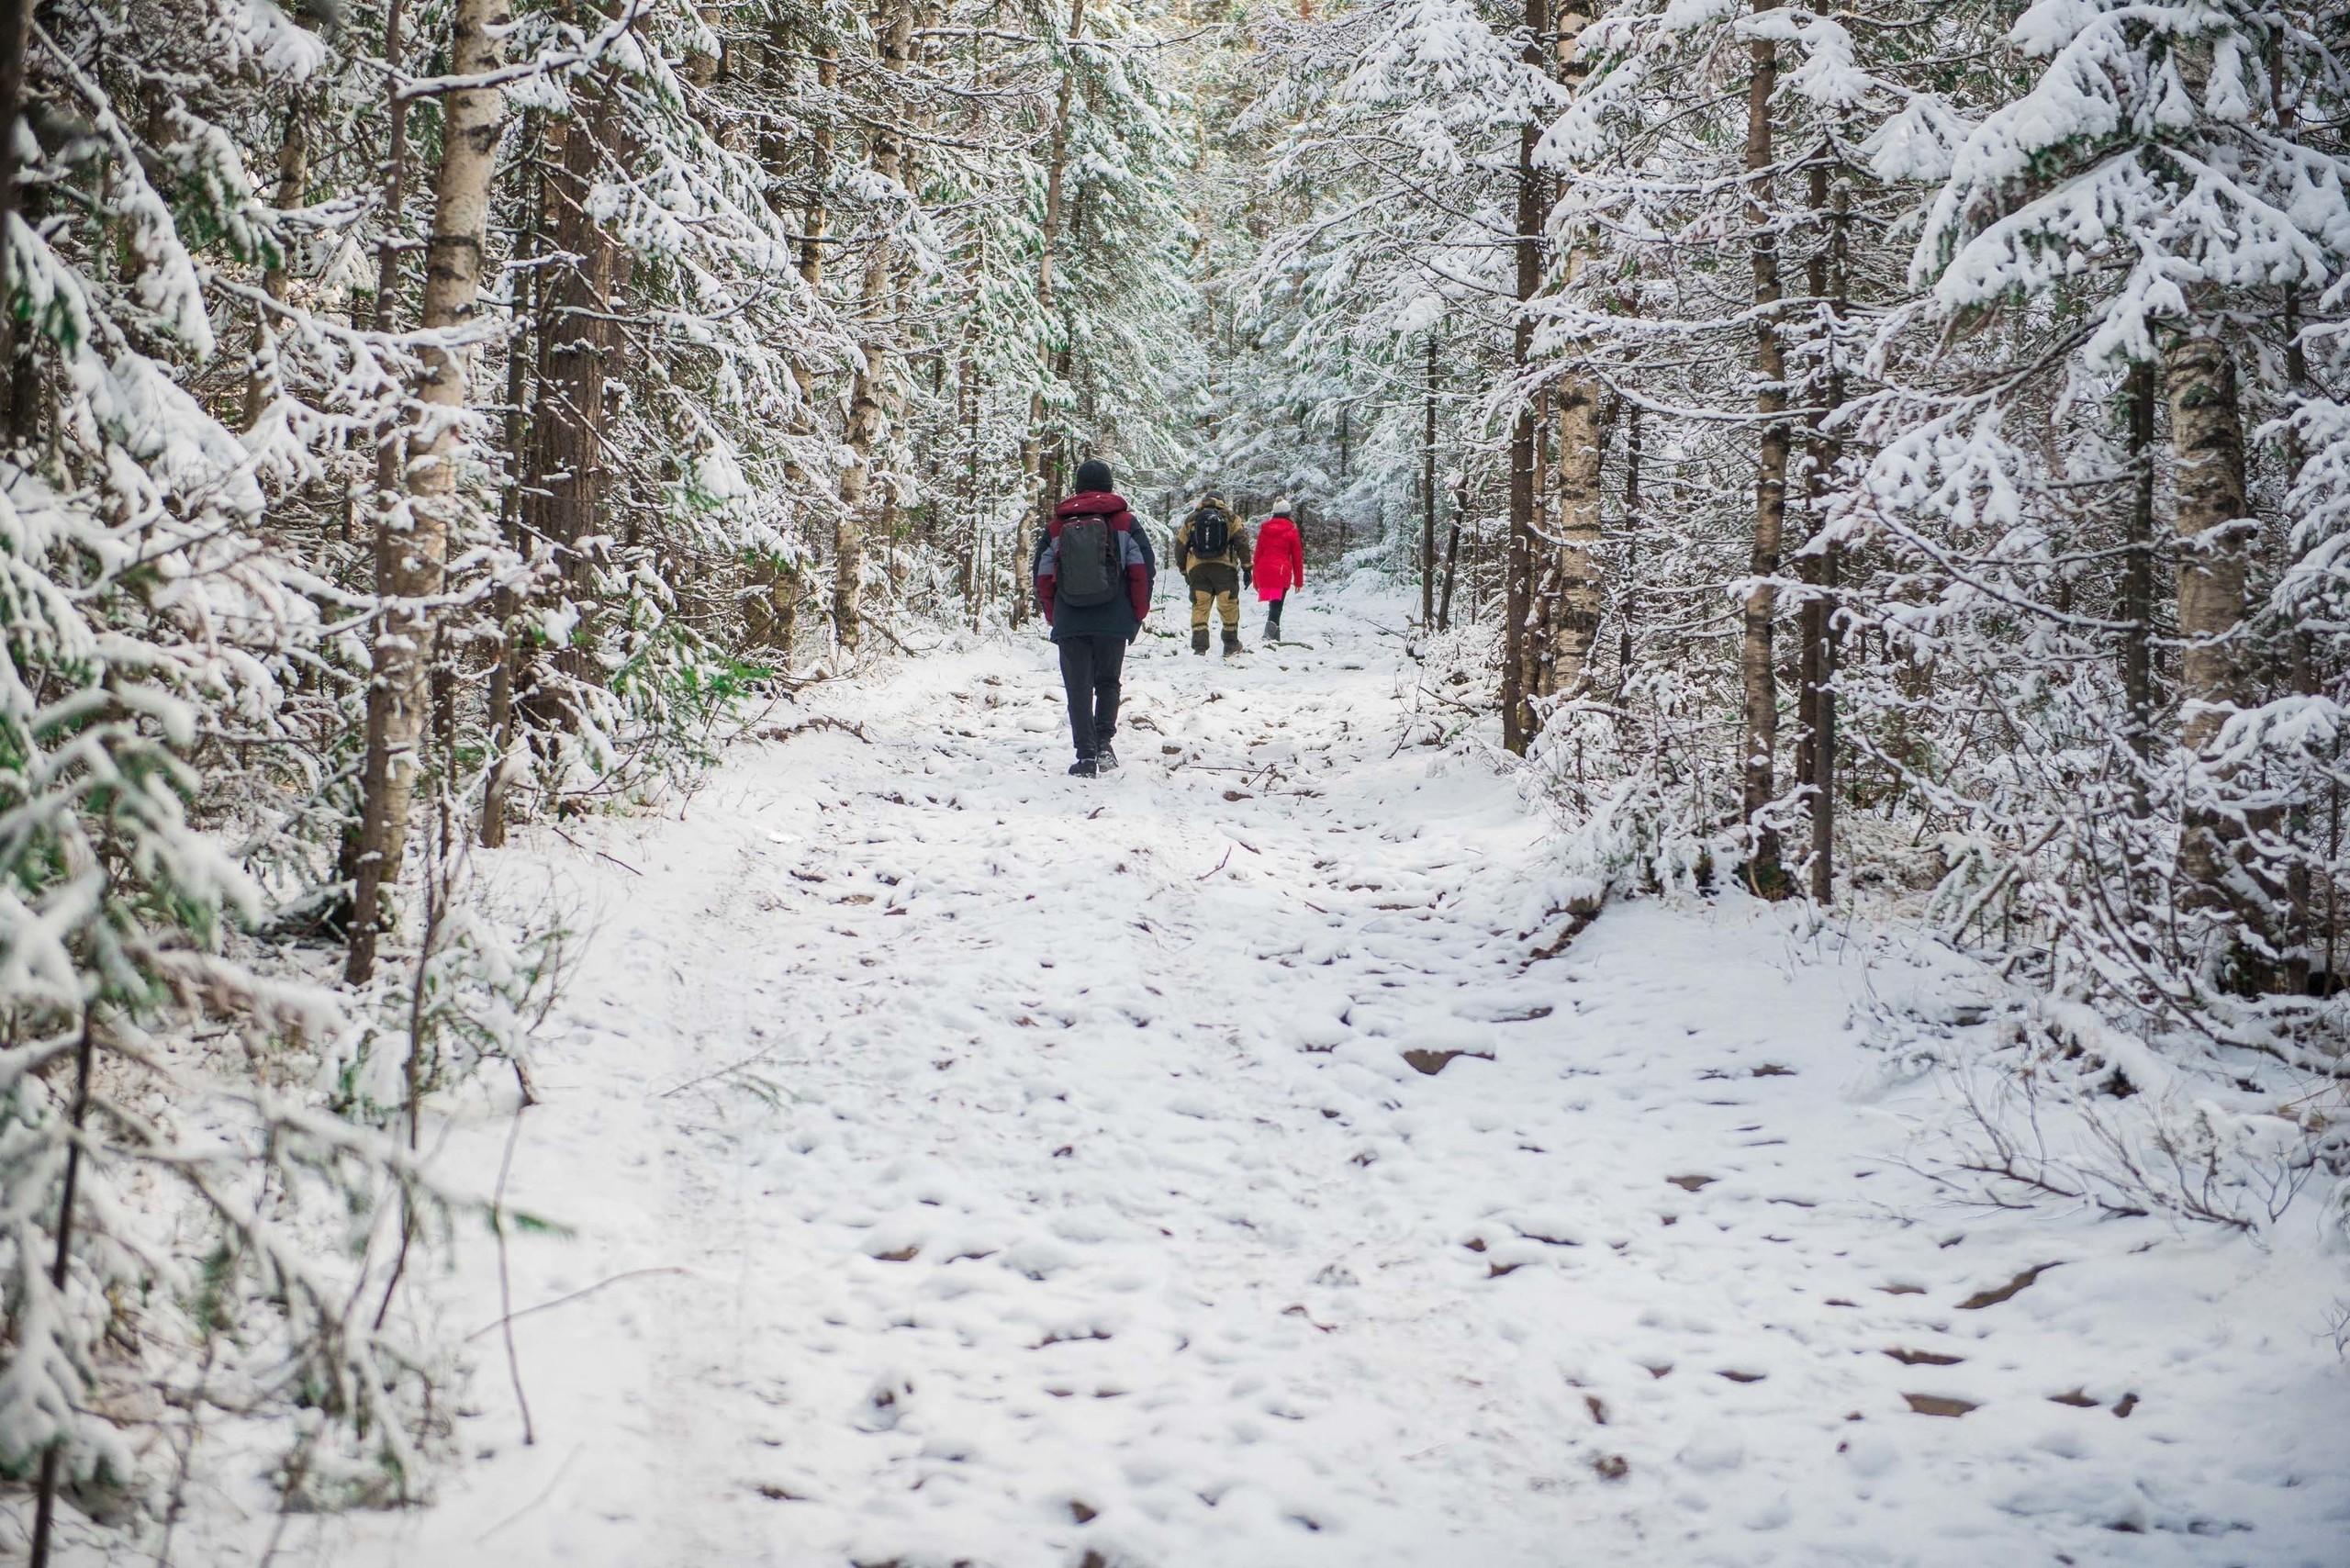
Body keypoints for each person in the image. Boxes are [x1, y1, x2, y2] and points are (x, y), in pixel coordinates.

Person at [1035, 457, 1153, 777]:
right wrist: (1136, 613)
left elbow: (1043, 575)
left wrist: (1053, 614)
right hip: (1114, 619)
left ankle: (1085, 756)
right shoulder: (1126, 523)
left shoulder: (1057, 527)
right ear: (1109, 486)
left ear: (1077, 486)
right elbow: (1142, 569)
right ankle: (1104, 746)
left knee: (1077, 687)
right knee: (1107, 682)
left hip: (1070, 619)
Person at [1178, 495, 1252, 656]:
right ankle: (1231, 644)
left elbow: (1180, 545)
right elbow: (1241, 541)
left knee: (1200, 605)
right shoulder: (1230, 516)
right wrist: (1247, 567)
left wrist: (1184, 570)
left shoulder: (1191, 518)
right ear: (1221, 501)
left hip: (1198, 569)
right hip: (1224, 569)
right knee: (1228, 604)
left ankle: (1200, 647)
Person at [1254, 499, 1305, 643]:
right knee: (1277, 605)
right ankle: (1268, 636)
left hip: (1263, 570)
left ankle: (1275, 639)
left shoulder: (1264, 530)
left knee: (1274, 603)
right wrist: (1299, 581)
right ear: (1288, 513)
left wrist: (1255, 579)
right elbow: (1297, 557)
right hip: (1280, 571)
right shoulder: (1291, 531)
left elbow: (1257, 554)